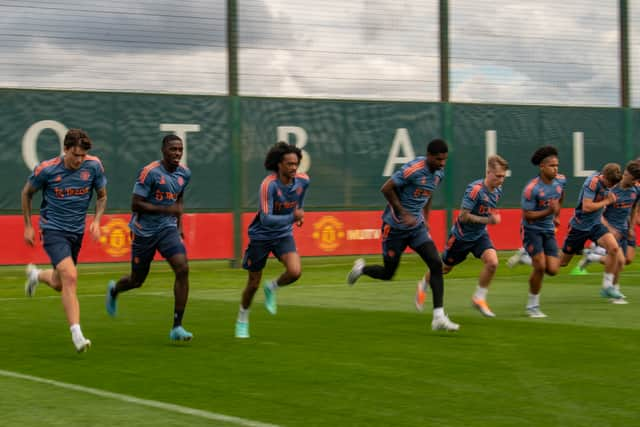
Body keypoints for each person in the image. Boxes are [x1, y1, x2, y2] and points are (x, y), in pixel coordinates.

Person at [347, 138, 459, 331]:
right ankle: (361, 269)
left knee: (435, 263)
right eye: (439, 159)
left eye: (445, 160)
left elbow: (428, 191)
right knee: (388, 273)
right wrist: (403, 212)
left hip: (416, 228)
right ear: (429, 156)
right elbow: (386, 188)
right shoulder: (412, 169)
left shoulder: (439, 173)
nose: (442, 163)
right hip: (395, 229)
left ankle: (438, 316)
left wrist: (426, 217)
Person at [22, 128, 107, 352]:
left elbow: (102, 196)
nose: (79, 160)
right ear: (65, 149)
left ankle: (36, 275)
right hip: (52, 230)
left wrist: (97, 221)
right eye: (75, 155)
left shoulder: (94, 166)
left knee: (61, 283)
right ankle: (77, 334)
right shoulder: (47, 169)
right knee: (71, 276)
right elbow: (27, 193)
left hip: (76, 232)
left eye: (82, 156)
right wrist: (29, 226)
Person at [105, 134, 193, 341]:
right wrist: (164, 209)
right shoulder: (149, 173)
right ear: (163, 151)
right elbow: (135, 204)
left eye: (180, 149)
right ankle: (115, 290)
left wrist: (178, 224)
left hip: (167, 230)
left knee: (183, 268)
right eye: (173, 149)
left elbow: (179, 198)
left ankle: (177, 327)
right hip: (143, 231)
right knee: (137, 280)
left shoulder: (184, 174)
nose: (177, 153)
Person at [415, 155, 509, 318]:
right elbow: (463, 216)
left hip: (480, 235)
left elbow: (489, 209)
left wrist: (492, 217)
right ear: (488, 172)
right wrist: (488, 220)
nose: (501, 180)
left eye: (503, 177)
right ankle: (423, 284)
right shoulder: (475, 190)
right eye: (498, 176)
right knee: (444, 268)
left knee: (492, 262)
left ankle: (479, 298)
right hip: (461, 237)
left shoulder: (498, 190)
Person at [235, 142, 310, 339]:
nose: (293, 167)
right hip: (261, 236)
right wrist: (292, 217)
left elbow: (299, 203)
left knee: (295, 272)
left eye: (296, 164)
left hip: (283, 235)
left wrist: (299, 215)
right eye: (289, 164)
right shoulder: (268, 185)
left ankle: (272, 287)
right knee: (252, 284)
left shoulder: (303, 181)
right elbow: (267, 219)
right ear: (279, 165)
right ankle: (242, 318)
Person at [565, 162, 640, 301]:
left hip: (624, 229)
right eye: (628, 175)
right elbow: (598, 212)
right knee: (620, 260)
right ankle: (613, 291)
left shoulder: (636, 190)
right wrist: (609, 228)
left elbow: (634, 207)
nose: (628, 179)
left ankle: (592, 258)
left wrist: (631, 227)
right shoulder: (611, 188)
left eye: (633, 178)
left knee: (627, 259)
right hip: (609, 228)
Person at [515, 146, 566, 318]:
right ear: (542, 167)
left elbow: (560, 196)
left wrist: (556, 214)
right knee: (540, 266)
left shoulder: (560, 181)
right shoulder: (532, 188)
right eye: (552, 165)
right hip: (531, 230)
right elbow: (528, 216)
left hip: (548, 230)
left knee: (553, 269)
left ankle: (524, 257)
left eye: (557, 165)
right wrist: (549, 212)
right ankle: (532, 307)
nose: (556, 169)